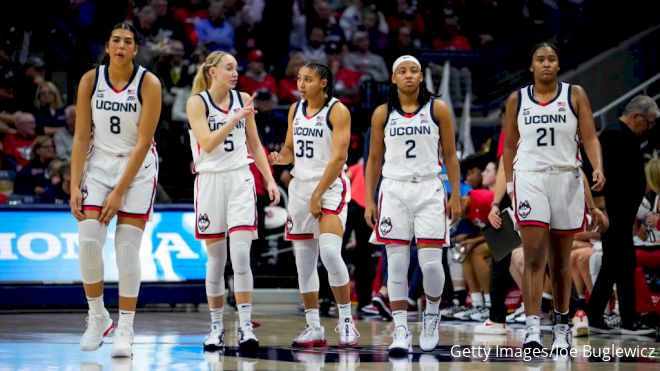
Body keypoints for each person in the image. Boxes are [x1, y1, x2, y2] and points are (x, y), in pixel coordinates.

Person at [502, 41, 605, 353]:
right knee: (533, 256)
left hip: (566, 177)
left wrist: (597, 166)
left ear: (559, 65)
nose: (546, 64)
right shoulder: (516, 99)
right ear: (531, 66)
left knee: (561, 262)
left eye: (552, 59)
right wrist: (509, 183)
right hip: (530, 178)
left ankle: (561, 327)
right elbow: (509, 145)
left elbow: (589, 136)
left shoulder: (575, 94)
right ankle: (533, 327)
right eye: (540, 59)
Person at [70, 23, 162, 358]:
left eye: (128, 42)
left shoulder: (148, 83)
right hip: (99, 164)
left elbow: (143, 141)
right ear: (107, 46)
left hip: (136, 169)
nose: (121, 46)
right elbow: (81, 136)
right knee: (89, 241)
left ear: (136, 48)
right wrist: (73, 185)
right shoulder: (90, 80)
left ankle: (125, 326)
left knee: (126, 249)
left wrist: (120, 190)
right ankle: (98, 317)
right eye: (115, 41)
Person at [365, 55, 461, 354]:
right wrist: (369, 199)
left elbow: (450, 155)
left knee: (431, 265)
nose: (408, 75)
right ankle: (401, 330)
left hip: (429, 189)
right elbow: (374, 159)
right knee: (395, 263)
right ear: (393, 78)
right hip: (393, 189)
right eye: (402, 71)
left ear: (421, 76)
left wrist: (455, 194)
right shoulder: (383, 112)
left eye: (414, 71)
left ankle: (431, 314)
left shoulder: (438, 108)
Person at [186, 50, 281, 352]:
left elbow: (254, 143)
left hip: (240, 179)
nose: (235, 73)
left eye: (236, 69)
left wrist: (268, 179)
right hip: (210, 181)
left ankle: (245, 327)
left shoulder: (243, 99)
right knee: (216, 260)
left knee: (241, 257)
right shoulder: (196, 102)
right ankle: (215, 328)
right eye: (229, 68)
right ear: (212, 71)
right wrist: (234, 118)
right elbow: (208, 143)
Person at [268, 61, 359, 348]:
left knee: (331, 253)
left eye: (308, 79)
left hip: (329, 187)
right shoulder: (295, 109)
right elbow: (290, 150)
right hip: (301, 188)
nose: (301, 84)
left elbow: (339, 157)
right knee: (304, 263)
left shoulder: (338, 110)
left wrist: (318, 194)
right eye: (299, 78)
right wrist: (278, 158)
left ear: (323, 83)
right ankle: (313, 327)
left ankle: (346, 322)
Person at [585, 95, 659, 335]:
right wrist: (601, 207)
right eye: (649, 122)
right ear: (637, 116)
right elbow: (598, 173)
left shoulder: (624, 135)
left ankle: (597, 315)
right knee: (623, 263)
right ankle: (629, 319)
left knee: (615, 263)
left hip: (622, 212)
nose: (650, 128)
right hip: (614, 212)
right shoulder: (613, 135)